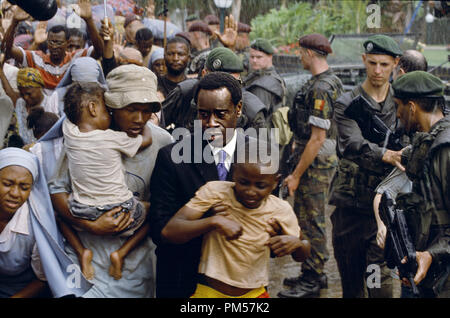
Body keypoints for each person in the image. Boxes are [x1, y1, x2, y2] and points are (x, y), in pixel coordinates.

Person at [48, 64, 173, 298]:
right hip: (87, 257)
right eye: (131, 109)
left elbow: (163, 205)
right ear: (111, 106)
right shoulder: (85, 136)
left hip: (132, 263)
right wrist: (90, 225)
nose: (140, 119)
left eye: (147, 111)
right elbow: (57, 190)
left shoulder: (161, 142)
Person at [150, 72, 266, 298]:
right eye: (203, 114)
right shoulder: (173, 157)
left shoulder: (260, 155)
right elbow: (160, 231)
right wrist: (209, 221)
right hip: (185, 281)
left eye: (220, 114)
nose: (211, 123)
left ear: (238, 108)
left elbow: (269, 220)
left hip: (242, 284)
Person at [162, 150, 310, 298]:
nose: (250, 192)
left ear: (275, 182)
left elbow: (302, 253)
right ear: (234, 173)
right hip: (209, 291)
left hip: (254, 294)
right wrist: (213, 221)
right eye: (244, 183)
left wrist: (297, 244)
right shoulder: (216, 192)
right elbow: (169, 232)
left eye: (260, 186)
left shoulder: (280, 209)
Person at [328, 34, 403, 298]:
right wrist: (386, 155)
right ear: (364, 60)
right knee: (352, 287)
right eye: (372, 63)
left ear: (396, 63)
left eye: (384, 64)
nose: (377, 71)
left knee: (380, 284)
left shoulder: (403, 103)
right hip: (350, 210)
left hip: (384, 210)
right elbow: (351, 143)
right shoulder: (347, 103)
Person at [59, 81, 153, 281]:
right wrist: (146, 124)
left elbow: (68, 116)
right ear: (93, 108)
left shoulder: (70, 134)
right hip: (121, 210)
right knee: (154, 212)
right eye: (106, 108)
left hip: (81, 209)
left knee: (60, 216)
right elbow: (147, 141)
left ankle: (82, 251)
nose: (110, 114)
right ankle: (121, 254)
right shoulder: (112, 138)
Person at [278, 33, 344, 298]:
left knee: (312, 217)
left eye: (301, 52)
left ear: (309, 54)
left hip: (314, 160)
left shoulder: (321, 88)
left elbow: (317, 138)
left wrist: (295, 175)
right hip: (312, 154)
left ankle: (314, 277)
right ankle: (311, 272)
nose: (299, 57)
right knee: (307, 217)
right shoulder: (326, 81)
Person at [0, 147, 91, 298]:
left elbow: (43, 279)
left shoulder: (36, 227)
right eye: (7, 184)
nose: (15, 194)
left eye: (24, 187)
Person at [390, 71, 450, 298]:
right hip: (425, 269)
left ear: (412, 107)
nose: (397, 113)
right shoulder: (426, 142)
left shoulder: (444, 150)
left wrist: (432, 254)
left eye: (398, 106)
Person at [3, 1, 104, 93]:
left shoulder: (76, 58)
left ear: (67, 43)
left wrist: (89, 20)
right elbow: (8, 49)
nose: (54, 46)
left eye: (59, 43)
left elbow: (99, 51)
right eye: (51, 42)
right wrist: (14, 22)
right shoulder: (37, 59)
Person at [162, 47, 267, 134]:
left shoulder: (251, 110)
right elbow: (157, 125)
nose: (223, 90)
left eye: (232, 83)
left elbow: (261, 153)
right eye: (217, 83)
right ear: (204, 74)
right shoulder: (185, 93)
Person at [0, 67, 57, 146]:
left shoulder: (51, 105)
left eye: (29, 93)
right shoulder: (20, 103)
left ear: (39, 87)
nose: (25, 97)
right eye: (22, 94)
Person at [244, 38, 286, 120]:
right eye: (252, 57)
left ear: (270, 57)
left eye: (259, 57)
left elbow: (258, 118)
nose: (254, 60)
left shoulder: (263, 85)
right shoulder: (260, 75)